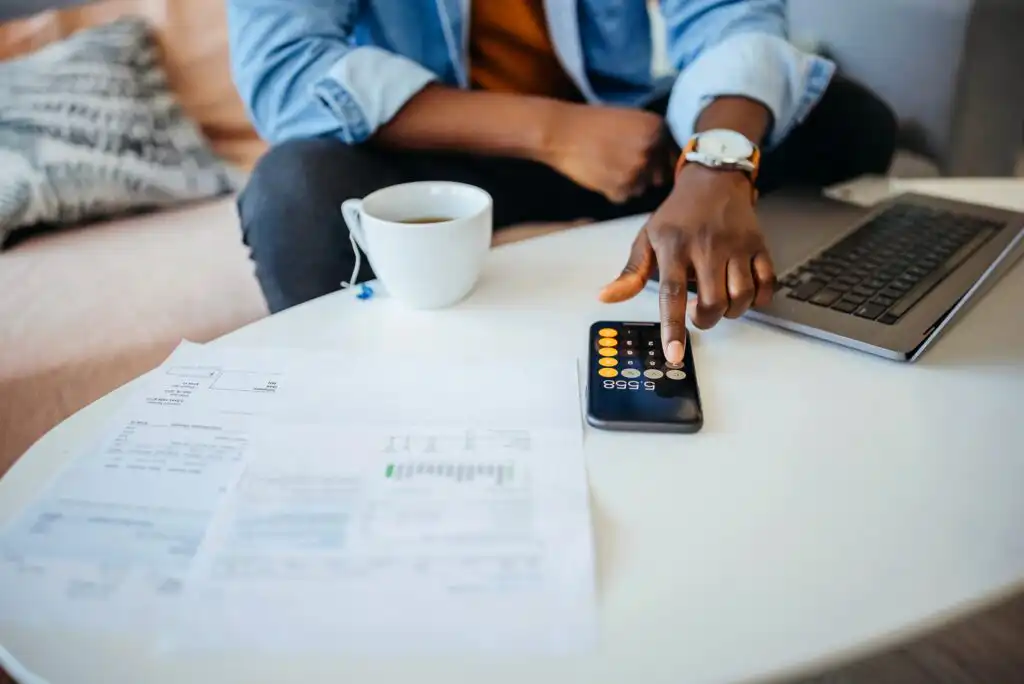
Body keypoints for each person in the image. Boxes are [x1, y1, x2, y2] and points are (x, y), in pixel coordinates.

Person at [228, 0, 897, 365]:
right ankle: (343, 412)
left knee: (847, 118)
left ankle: (802, 335)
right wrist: (555, 132)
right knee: (294, 191)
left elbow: (733, 17)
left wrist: (715, 167)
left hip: (622, 141)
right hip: (436, 147)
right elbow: (287, 72)